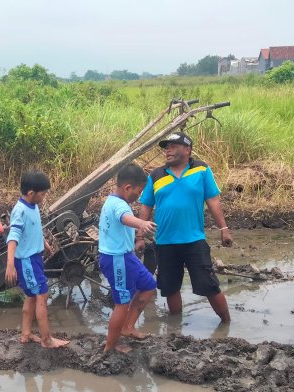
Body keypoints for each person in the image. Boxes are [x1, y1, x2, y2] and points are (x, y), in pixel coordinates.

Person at [137, 132, 232, 323]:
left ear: (187, 149)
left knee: (209, 284)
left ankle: (227, 324)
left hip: (194, 240)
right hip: (164, 242)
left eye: (173, 146)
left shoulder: (201, 170)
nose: (167, 150)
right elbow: (146, 205)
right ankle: (175, 327)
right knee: (170, 287)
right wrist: (139, 237)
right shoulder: (156, 175)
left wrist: (224, 229)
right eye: (166, 147)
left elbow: (212, 199)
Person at [4, 170, 70, 349]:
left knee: (31, 296)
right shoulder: (20, 211)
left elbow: (34, 228)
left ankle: (26, 333)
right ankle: (47, 339)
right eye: (43, 193)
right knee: (42, 294)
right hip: (26, 261)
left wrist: (44, 243)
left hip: (34, 258)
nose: (44, 196)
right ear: (31, 193)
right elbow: (13, 237)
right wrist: (10, 264)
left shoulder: (32, 207)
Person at [99, 164, 158, 353]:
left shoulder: (114, 200)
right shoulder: (118, 205)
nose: (138, 196)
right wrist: (142, 223)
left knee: (148, 286)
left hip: (127, 256)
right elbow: (125, 218)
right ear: (127, 188)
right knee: (122, 303)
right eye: (138, 192)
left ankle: (128, 327)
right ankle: (110, 346)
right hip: (117, 260)